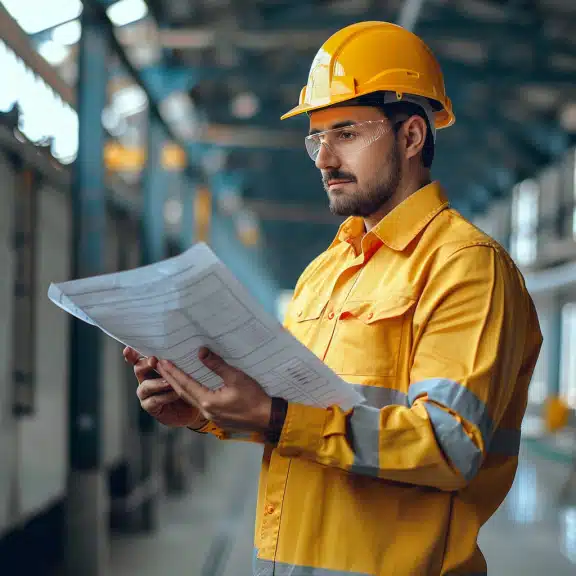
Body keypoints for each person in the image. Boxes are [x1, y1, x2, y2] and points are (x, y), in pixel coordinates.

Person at [124, 21, 543, 576]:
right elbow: (291, 409)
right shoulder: (327, 270)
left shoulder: (465, 266)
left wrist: (273, 417)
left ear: (412, 137)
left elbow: (447, 447)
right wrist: (202, 407)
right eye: (317, 138)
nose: (323, 159)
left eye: (345, 133)